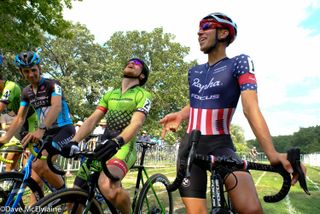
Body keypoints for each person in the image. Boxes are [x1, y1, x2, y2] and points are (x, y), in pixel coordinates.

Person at [160, 12, 306, 214]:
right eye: (199, 28)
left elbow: (250, 107)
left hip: (221, 144)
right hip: (190, 147)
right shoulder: (194, 71)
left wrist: (271, 153)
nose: (199, 32)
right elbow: (199, 100)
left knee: (252, 210)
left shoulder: (239, 62)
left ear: (222, 33)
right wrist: (181, 114)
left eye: (205, 27)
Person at [61, 58, 152, 214]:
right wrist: (74, 141)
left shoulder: (143, 94)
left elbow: (136, 123)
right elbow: (92, 120)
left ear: (142, 76)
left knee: (107, 186)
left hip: (123, 147)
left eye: (137, 64)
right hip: (103, 146)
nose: (131, 63)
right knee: (73, 201)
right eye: (129, 61)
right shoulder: (110, 94)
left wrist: (117, 142)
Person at [0, 51, 75, 198]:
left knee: (39, 165)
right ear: (21, 72)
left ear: (39, 68)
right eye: (26, 71)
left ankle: (67, 196)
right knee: (33, 175)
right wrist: (5, 139)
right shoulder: (26, 91)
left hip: (64, 129)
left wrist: (41, 129)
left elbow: (56, 107)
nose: (31, 74)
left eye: (33, 70)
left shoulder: (53, 84)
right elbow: (20, 118)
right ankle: (36, 207)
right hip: (48, 133)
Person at [0, 68, 38, 171]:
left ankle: (27, 180)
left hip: (31, 118)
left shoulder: (10, 86)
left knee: (27, 151)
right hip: (20, 120)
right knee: (13, 151)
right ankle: (9, 179)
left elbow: (1, 107)